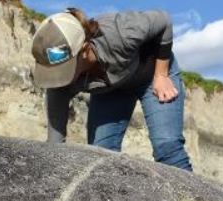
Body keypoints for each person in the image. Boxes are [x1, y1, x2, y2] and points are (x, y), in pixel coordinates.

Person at [31, 8, 193, 172]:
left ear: (84, 50)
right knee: (100, 156)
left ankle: (194, 198)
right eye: (53, 72)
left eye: (63, 70)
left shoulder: (119, 32)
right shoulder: (59, 84)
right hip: (111, 90)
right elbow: (55, 143)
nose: (58, 77)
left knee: (168, 148)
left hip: (152, 75)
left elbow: (163, 20)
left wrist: (161, 75)